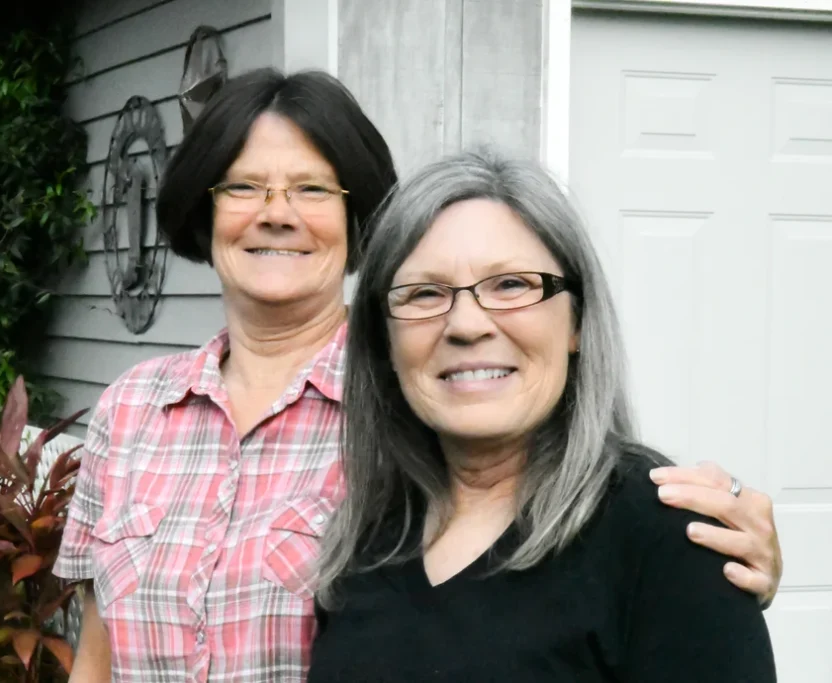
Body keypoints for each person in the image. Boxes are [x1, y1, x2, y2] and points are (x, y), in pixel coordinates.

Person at [53, 68, 783, 683]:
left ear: (361, 220)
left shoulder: (409, 418)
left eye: (313, 189)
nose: (276, 214)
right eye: (242, 187)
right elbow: (99, 645)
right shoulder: (131, 410)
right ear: (202, 212)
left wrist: (721, 542)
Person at [308, 148, 777, 682]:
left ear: (577, 322)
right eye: (424, 293)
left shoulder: (670, 537)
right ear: (384, 343)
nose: (466, 324)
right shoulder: (367, 539)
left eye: (511, 285)